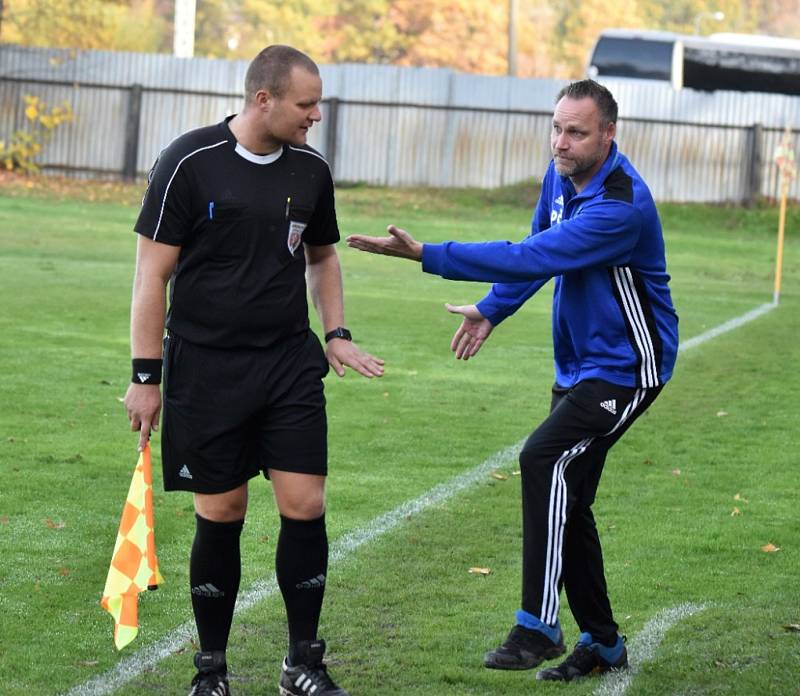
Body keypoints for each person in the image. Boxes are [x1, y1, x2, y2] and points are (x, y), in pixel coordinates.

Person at [347, 79, 678, 683]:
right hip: (579, 365)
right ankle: (603, 645)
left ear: (609, 134)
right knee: (570, 501)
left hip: (630, 367)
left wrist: (428, 254)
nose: (560, 142)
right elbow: (537, 250)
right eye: (556, 128)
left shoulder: (621, 204)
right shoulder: (563, 177)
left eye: (576, 132)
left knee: (542, 458)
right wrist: (492, 308)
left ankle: (538, 624)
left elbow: (532, 258)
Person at [123, 45, 384, 696]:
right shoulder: (189, 163)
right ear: (263, 100)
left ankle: (303, 662)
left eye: (318, 103)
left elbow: (322, 258)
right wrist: (146, 377)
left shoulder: (312, 171)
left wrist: (337, 333)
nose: (316, 115)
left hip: (288, 363)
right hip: (206, 368)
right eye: (306, 104)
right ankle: (211, 672)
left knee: (306, 504)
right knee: (224, 511)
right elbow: (151, 276)